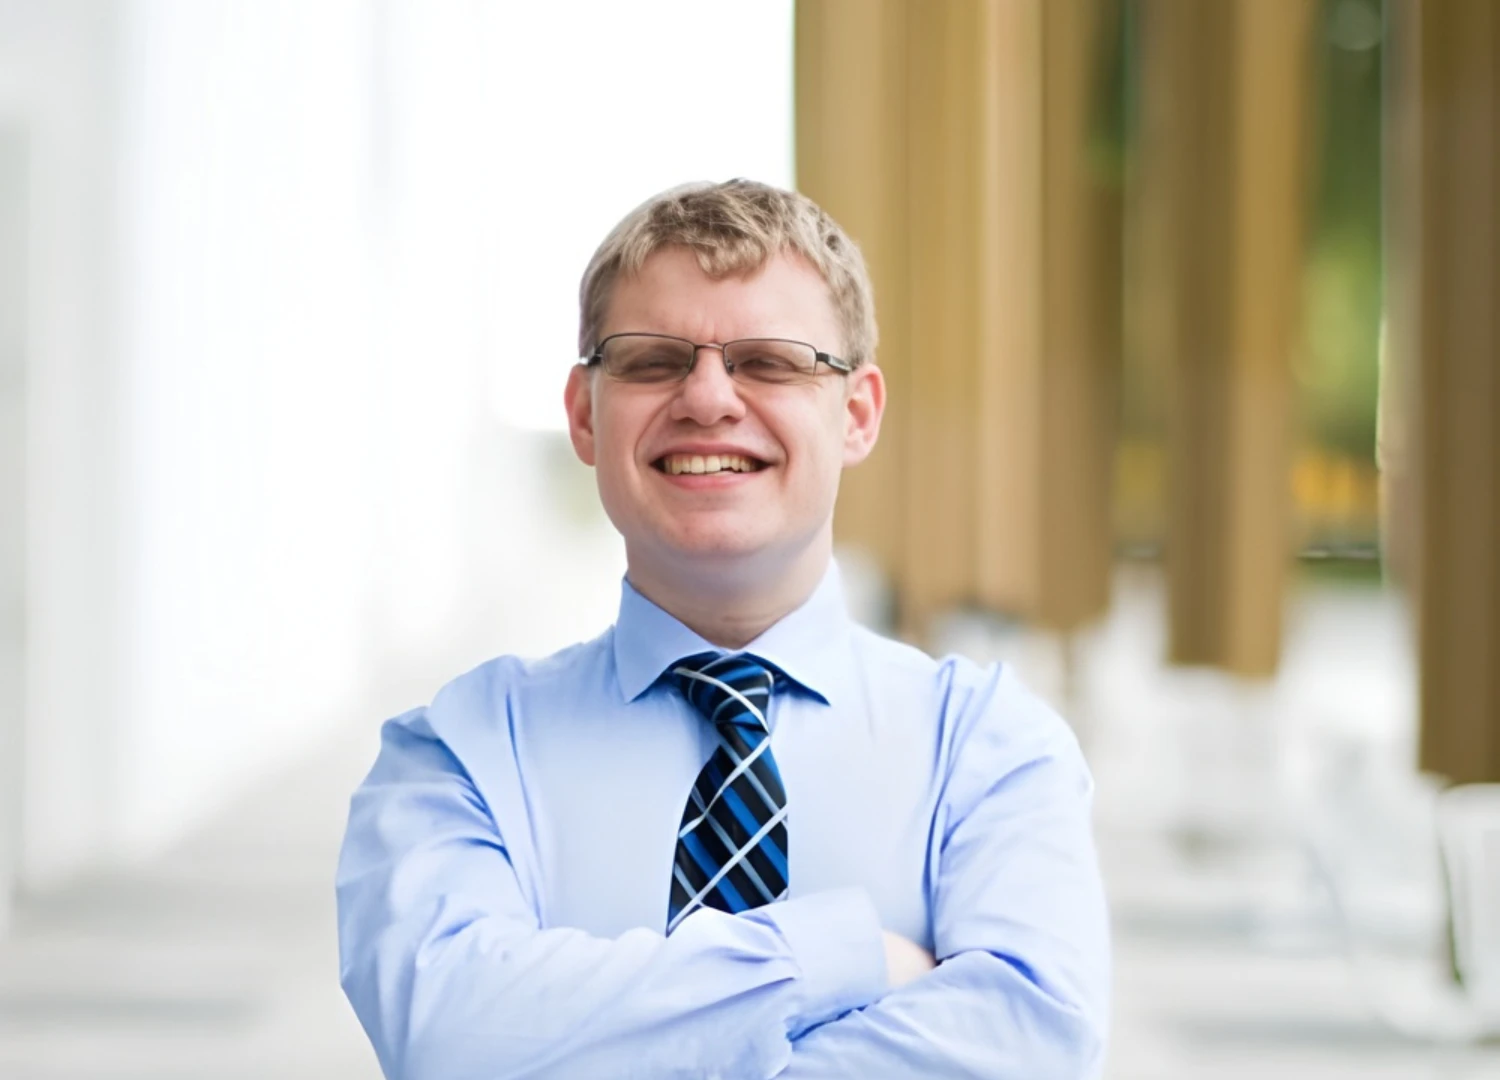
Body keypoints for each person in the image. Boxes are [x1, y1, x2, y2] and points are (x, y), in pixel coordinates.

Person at [336, 179, 1110, 1079]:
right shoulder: (462, 755)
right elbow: (452, 1039)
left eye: (769, 361)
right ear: (586, 414)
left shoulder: (990, 750)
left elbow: (1031, 1046)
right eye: (655, 359)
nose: (708, 398)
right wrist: (840, 957)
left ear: (855, 414)